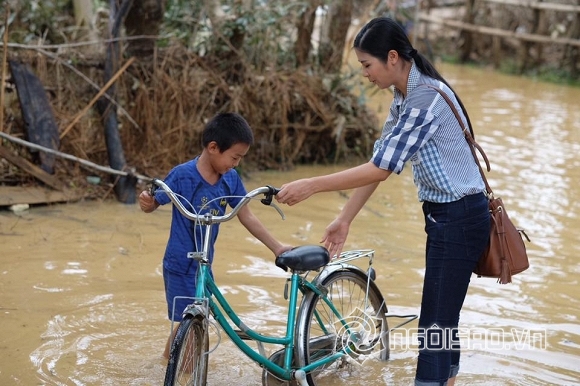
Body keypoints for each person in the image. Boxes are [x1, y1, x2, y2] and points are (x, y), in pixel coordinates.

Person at [276, 17, 490, 386]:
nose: (365, 74)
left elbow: (379, 169)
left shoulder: (424, 100)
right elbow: (382, 161)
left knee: (435, 324)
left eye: (366, 65)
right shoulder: (405, 97)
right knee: (442, 320)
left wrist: (312, 184)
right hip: (449, 217)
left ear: (392, 58)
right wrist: (344, 219)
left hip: (459, 217)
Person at [139, 112, 291, 359]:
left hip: (204, 265)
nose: (236, 163)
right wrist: (147, 202)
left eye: (240, 158)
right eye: (234, 157)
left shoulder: (230, 179)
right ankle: (178, 369)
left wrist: (277, 247)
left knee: (192, 322)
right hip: (180, 262)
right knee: (189, 323)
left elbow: (246, 215)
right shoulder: (181, 175)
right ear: (213, 148)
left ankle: (169, 366)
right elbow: (154, 201)